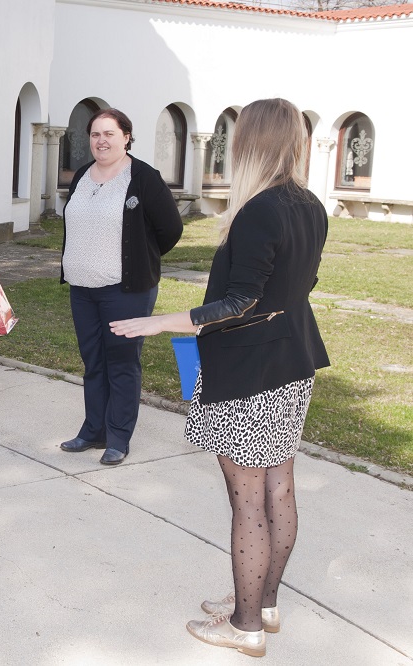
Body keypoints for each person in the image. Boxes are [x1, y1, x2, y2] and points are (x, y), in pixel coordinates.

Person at [110, 98, 329, 658]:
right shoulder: (309, 205)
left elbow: (241, 300)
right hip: (291, 362)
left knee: (249, 501)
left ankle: (246, 624)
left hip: (250, 371)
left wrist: (159, 322)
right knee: (278, 486)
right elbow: (290, 287)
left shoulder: (262, 209)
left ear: (249, 142)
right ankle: (263, 605)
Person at [58, 108, 183, 466]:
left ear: (126, 136)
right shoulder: (82, 175)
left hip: (125, 290)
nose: (102, 141)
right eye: (95, 134)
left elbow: (170, 229)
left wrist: (140, 256)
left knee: (123, 363)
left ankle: (118, 437)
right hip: (82, 288)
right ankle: (93, 430)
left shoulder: (143, 177)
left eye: (109, 134)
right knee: (93, 362)